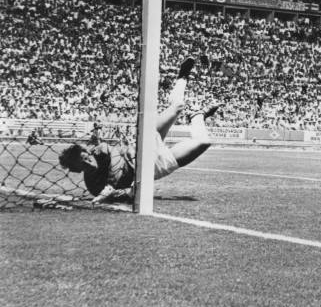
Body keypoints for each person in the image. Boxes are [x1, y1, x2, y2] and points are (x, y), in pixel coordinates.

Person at [58, 57, 220, 204]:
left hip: (140, 144)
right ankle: (198, 116)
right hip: (151, 166)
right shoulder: (94, 186)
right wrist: (120, 193)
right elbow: (126, 194)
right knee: (204, 142)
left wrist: (111, 185)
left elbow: (115, 157)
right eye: (83, 164)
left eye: (85, 157)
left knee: (177, 106)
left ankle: (182, 77)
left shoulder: (99, 151)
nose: (88, 161)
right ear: (77, 170)